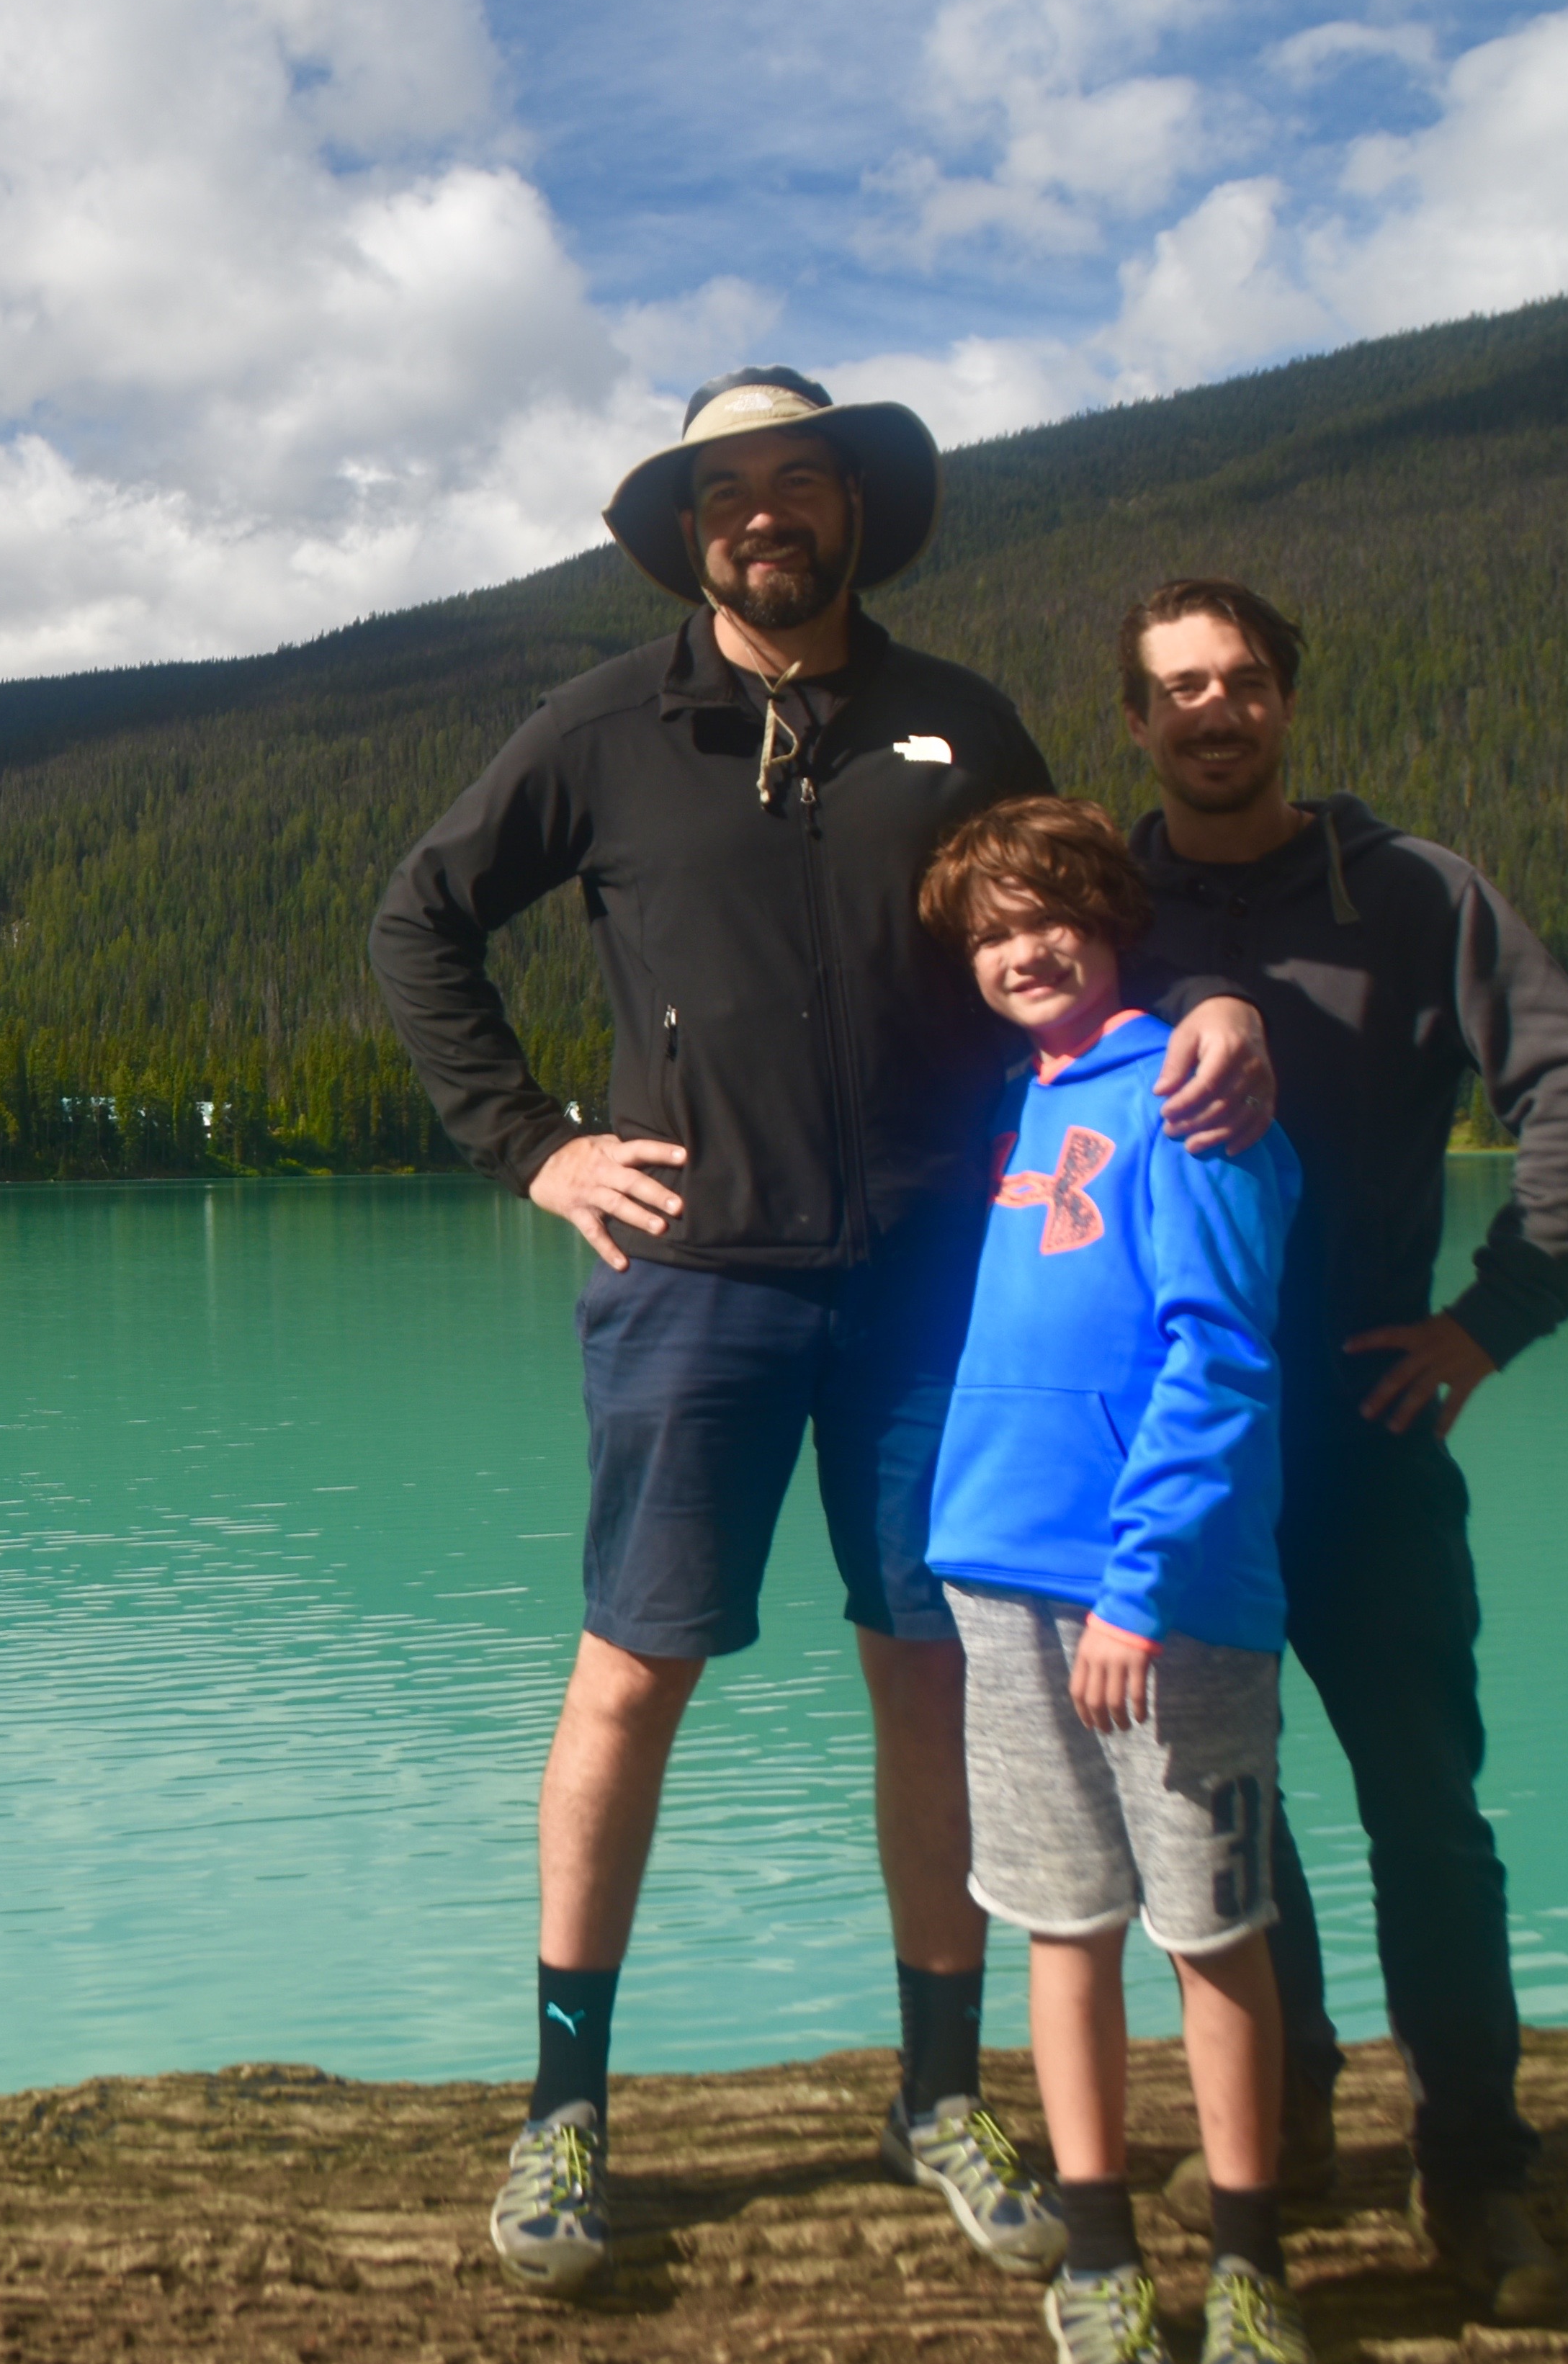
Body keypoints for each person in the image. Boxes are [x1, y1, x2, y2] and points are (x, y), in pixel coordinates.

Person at [369, 369, 1273, 2298]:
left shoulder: (955, 719)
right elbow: (418, 919)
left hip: (939, 1283)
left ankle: (934, 2090)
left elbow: (1076, 909)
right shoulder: (606, 726)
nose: (761, 512)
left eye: (797, 480)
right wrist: (529, 1148)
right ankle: (559, 2110)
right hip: (690, 1277)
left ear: (852, 506)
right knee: (629, 1674)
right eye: (724, 489)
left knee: (931, 1675)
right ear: (689, 527)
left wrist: (1203, 999)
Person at [1113, 578, 1568, 2324]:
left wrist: (1490, 1319)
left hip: (1363, 1425)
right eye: (1180, 686)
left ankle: (1476, 2164)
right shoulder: (1098, 908)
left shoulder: (1411, 890)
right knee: (1222, 1825)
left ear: (1286, 701)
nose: (1215, 708)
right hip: (1184, 1457)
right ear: (1137, 722)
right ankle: (1292, 2111)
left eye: (1244, 679)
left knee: (1426, 1813)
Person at [919, 795, 1311, 2364]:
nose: (1022, 949)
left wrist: (1139, 1587)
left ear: (1112, 917)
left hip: (1165, 1599)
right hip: (997, 1577)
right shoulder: (1027, 1102)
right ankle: (1097, 2250)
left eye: (1049, 916)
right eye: (989, 931)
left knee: (1210, 1932)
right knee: (1055, 1919)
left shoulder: (1195, 1092)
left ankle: (1249, 2261)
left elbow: (1216, 1359)